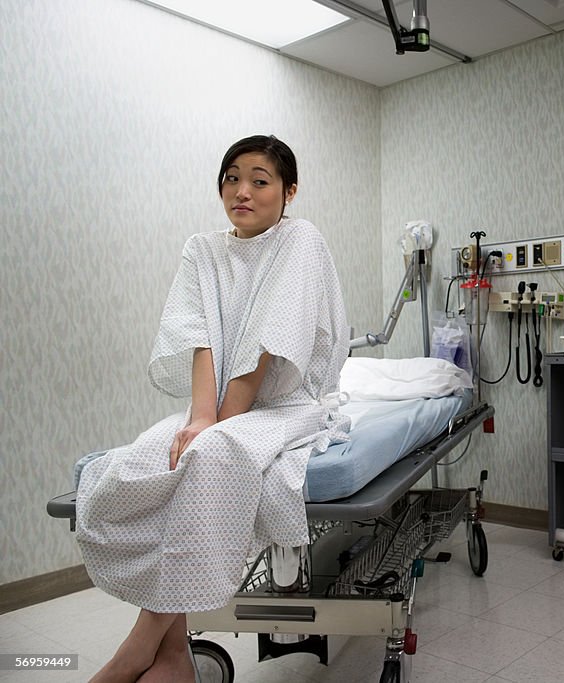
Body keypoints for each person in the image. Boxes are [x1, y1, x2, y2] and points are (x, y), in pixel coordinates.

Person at [75, 135, 349, 682]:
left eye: (259, 180)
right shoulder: (202, 249)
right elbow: (199, 335)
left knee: (212, 453)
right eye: (231, 177)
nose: (241, 190)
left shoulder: (300, 240)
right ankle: (174, 656)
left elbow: (266, 344)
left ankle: (141, 644)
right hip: (218, 405)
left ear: (289, 191)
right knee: (148, 457)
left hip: (282, 404)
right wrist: (202, 419)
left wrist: (219, 428)